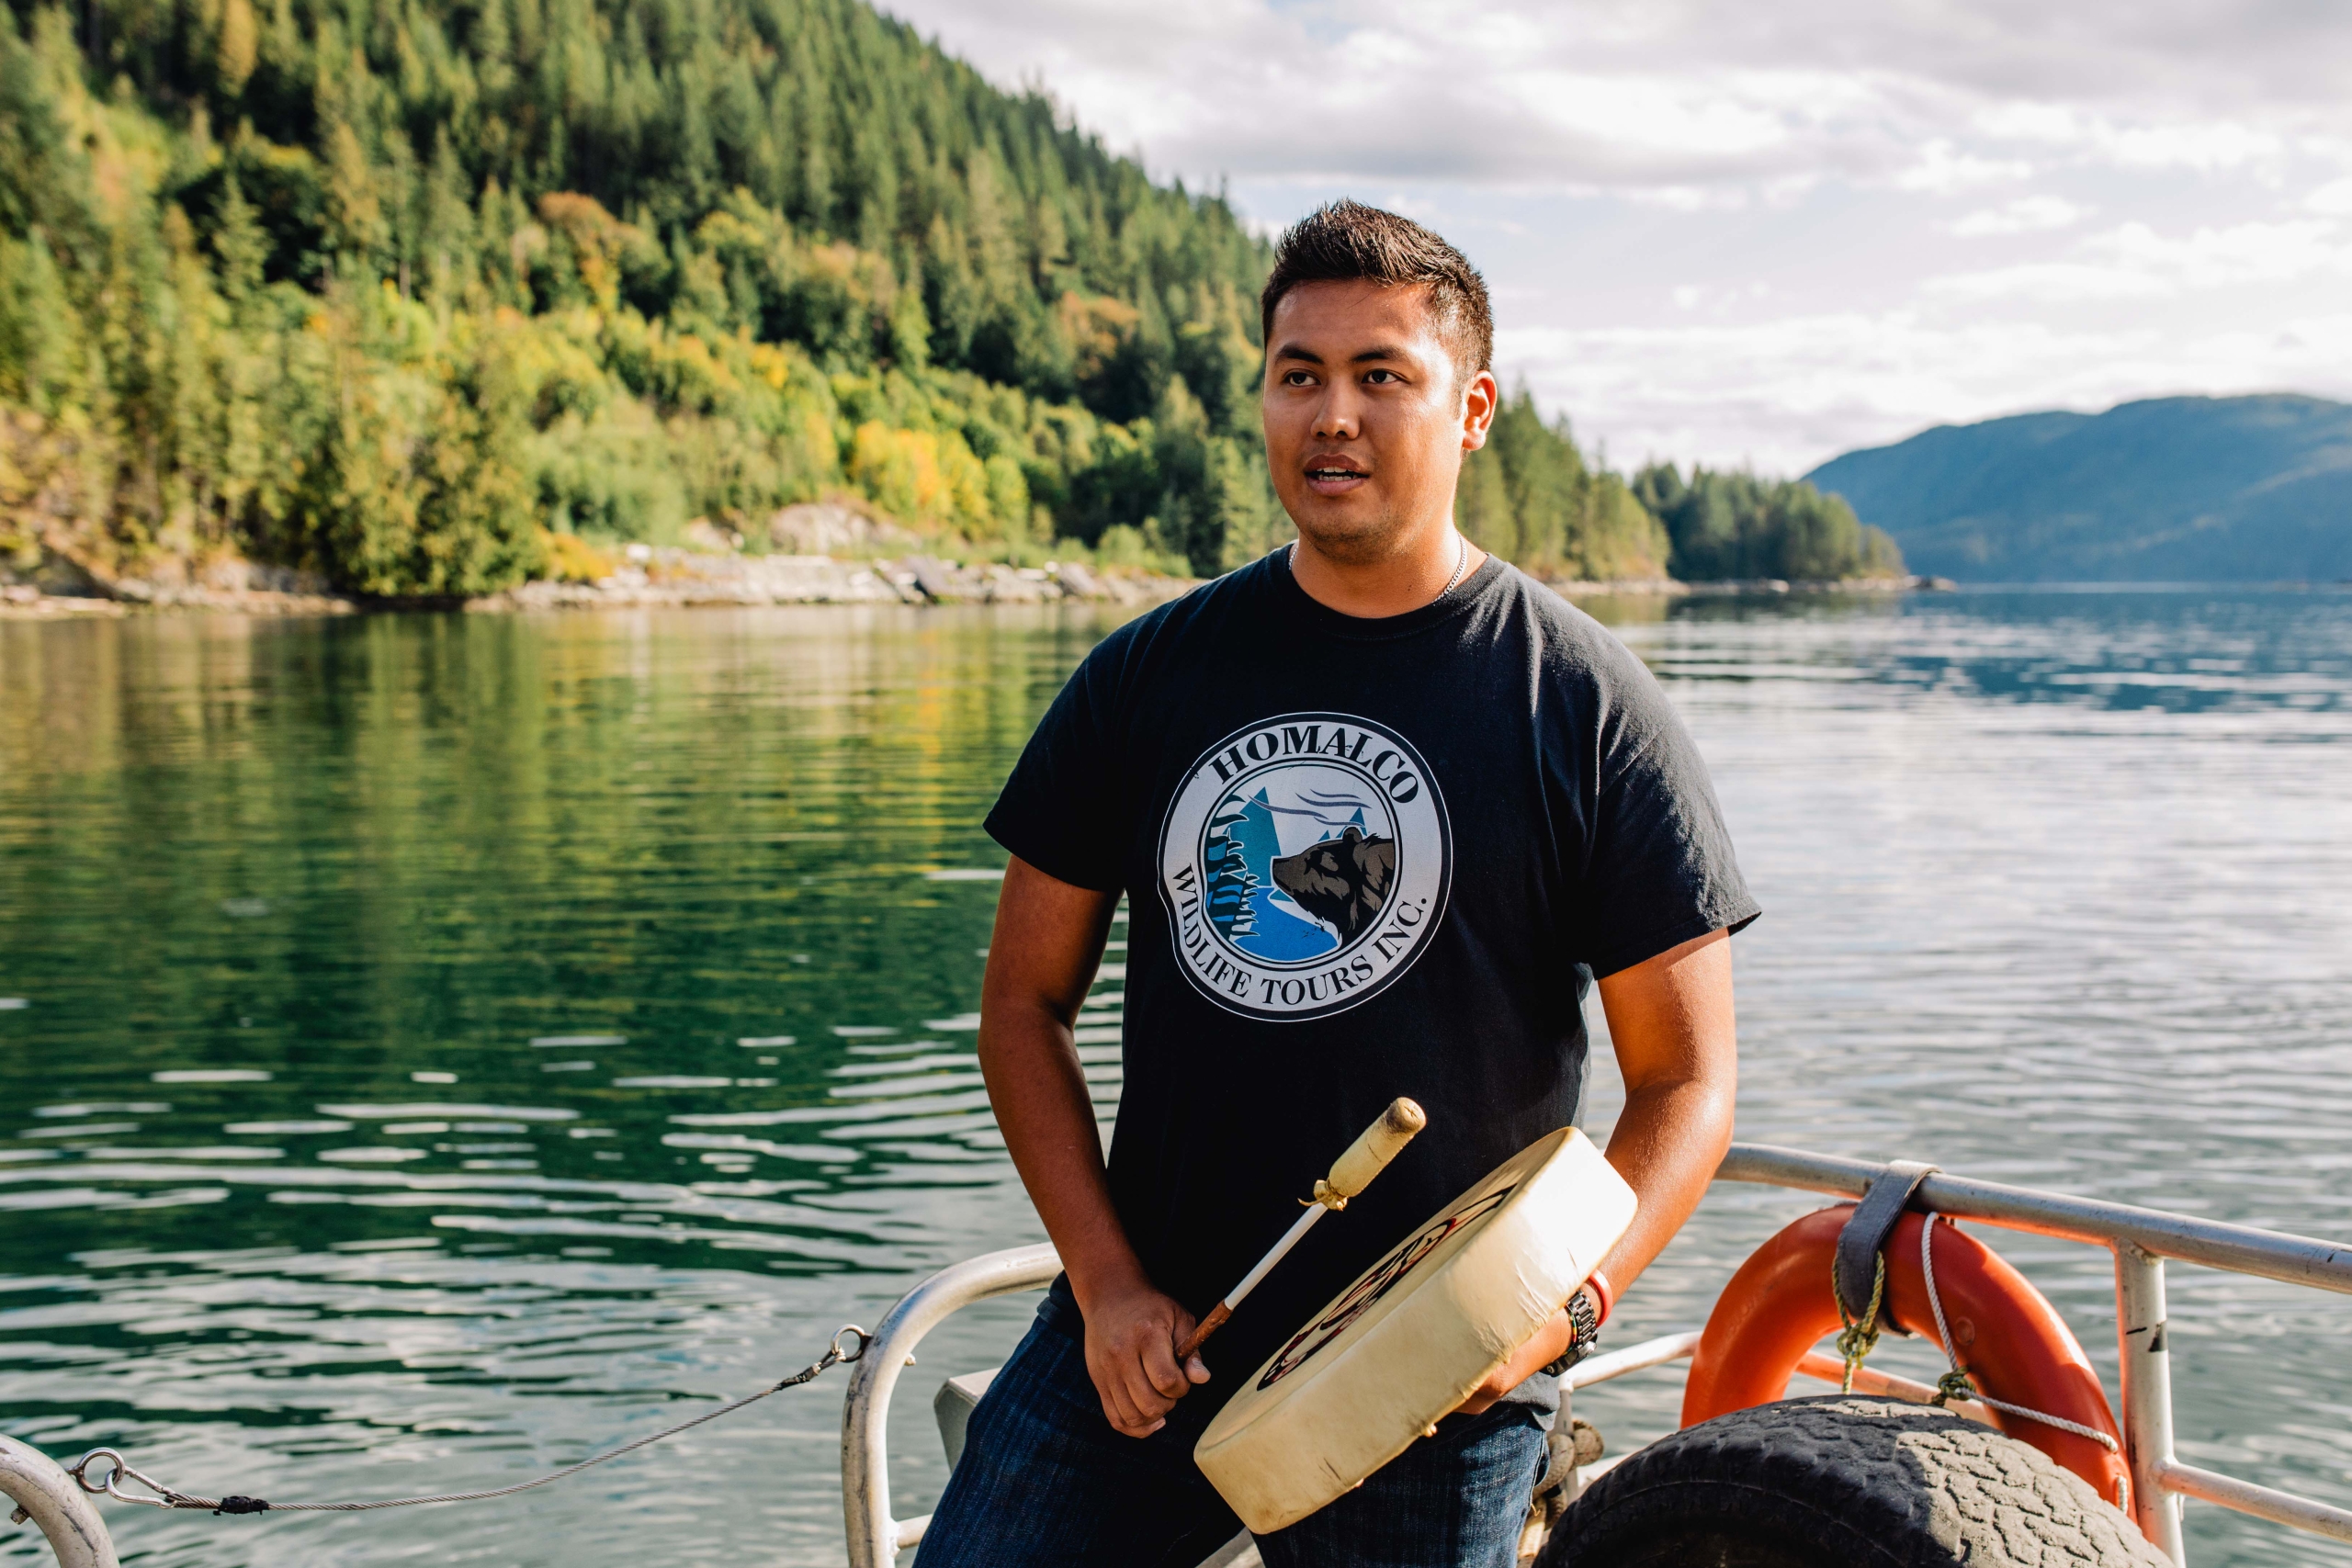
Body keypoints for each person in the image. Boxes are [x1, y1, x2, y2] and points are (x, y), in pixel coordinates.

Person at [921, 199, 1758, 1568]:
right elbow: (1022, 1009)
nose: (1333, 417)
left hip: (1438, 1374)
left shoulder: (1585, 707)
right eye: (1298, 374)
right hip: (1148, 1347)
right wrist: (1106, 1282)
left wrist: (1568, 1312)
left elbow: (1688, 1083)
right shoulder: (1146, 678)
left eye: (1383, 377)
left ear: (1471, 409)